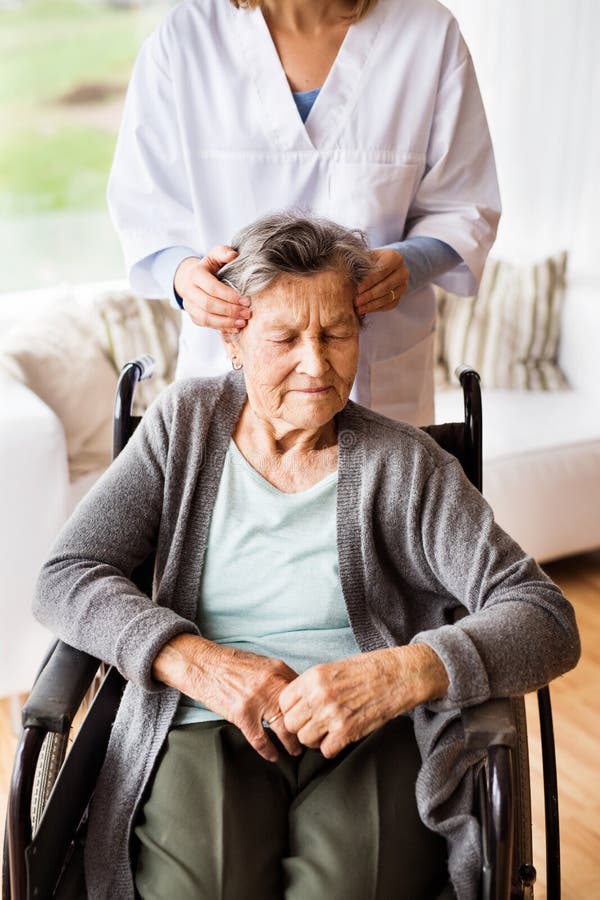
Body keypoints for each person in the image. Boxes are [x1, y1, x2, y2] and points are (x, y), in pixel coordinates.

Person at [34, 214, 578, 900]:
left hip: (367, 730)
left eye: (336, 334)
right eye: (285, 338)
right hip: (204, 719)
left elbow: (545, 618)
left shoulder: (407, 464)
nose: (316, 365)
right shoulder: (184, 426)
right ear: (234, 339)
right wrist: (198, 662)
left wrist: (405, 671)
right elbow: (65, 576)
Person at [106, 0, 501, 425]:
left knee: (386, 487)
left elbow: (463, 204)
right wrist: (184, 277)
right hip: (228, 379)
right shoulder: (184, 40)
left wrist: (412, 262)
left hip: (378, 381)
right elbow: (146, 209)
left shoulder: (427, 33)